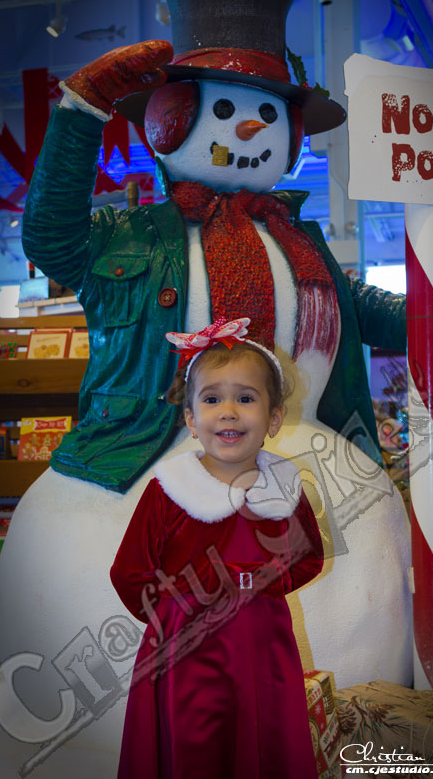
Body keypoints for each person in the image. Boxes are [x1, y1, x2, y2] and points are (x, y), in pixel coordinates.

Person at [110, 317, 323, 779]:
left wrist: (265, 585)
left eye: (245, 398)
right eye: (212, 399)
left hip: (263, 647)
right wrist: (175, 613)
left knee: (264, 743)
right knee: (195, 750)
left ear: (273, 418)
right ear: (190, 419)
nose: (228, 411)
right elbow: (129, 573)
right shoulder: (168, 490)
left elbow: (309, 558)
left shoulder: (285, 488)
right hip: (187, 655)